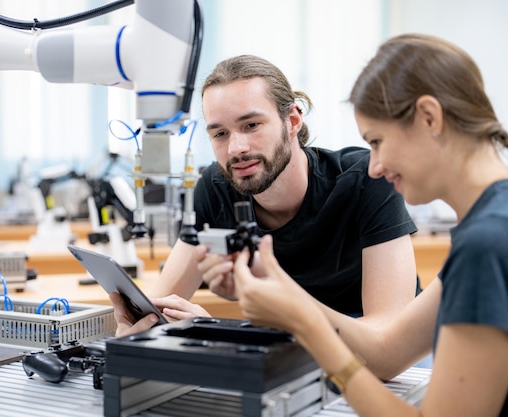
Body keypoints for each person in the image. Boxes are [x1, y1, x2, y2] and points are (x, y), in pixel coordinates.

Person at [232, 33, 508, 416]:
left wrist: (307, 326)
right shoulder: (492, 224)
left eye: (377, 141)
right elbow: (387, 353)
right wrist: (291, 299)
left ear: (430, 117)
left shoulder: (487, 243)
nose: (374, 165)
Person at [112, 54, 420, 337]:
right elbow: (159, 308)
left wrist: (223, 332)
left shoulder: (366, 178)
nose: (236, 149)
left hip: (372, 349)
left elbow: (387, 332)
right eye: (220, 133)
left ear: (293, 121)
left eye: (252, 125)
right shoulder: (215, 188)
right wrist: (137, 329)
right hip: (290, 346)